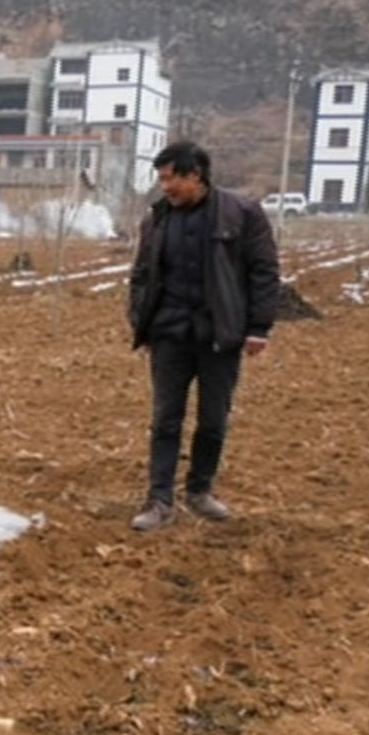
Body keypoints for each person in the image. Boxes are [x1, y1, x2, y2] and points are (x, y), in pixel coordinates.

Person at [127, 141, 280, 531]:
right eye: (160, 179)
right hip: (169, 335)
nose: (164, 187)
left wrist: (259, 327)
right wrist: (139, 320)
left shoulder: (242, 213)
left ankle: (199, 490)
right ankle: (159, 499)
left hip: (219, 335)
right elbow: (142, 274)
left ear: (194, 174)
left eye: (169, 178)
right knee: (165, 420)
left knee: (213, 420)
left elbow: (264, 271)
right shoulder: (157, 219)